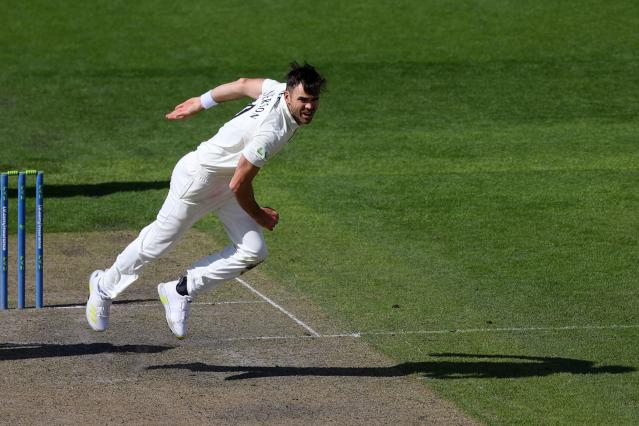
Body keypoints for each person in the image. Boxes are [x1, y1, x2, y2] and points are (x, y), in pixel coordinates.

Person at [86, 62, 326, 339]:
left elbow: (243, 84)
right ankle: (103, 286)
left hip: (225, 185)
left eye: (314, 100)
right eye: (303, 100)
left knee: (253, 250)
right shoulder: (271, 131)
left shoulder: (274, 89)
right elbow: (240, 182)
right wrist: (259, 215)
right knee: (156, 244)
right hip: (197, 182)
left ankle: (180, 290)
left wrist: (202, 102)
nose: (309, 106)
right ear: (287, 95)